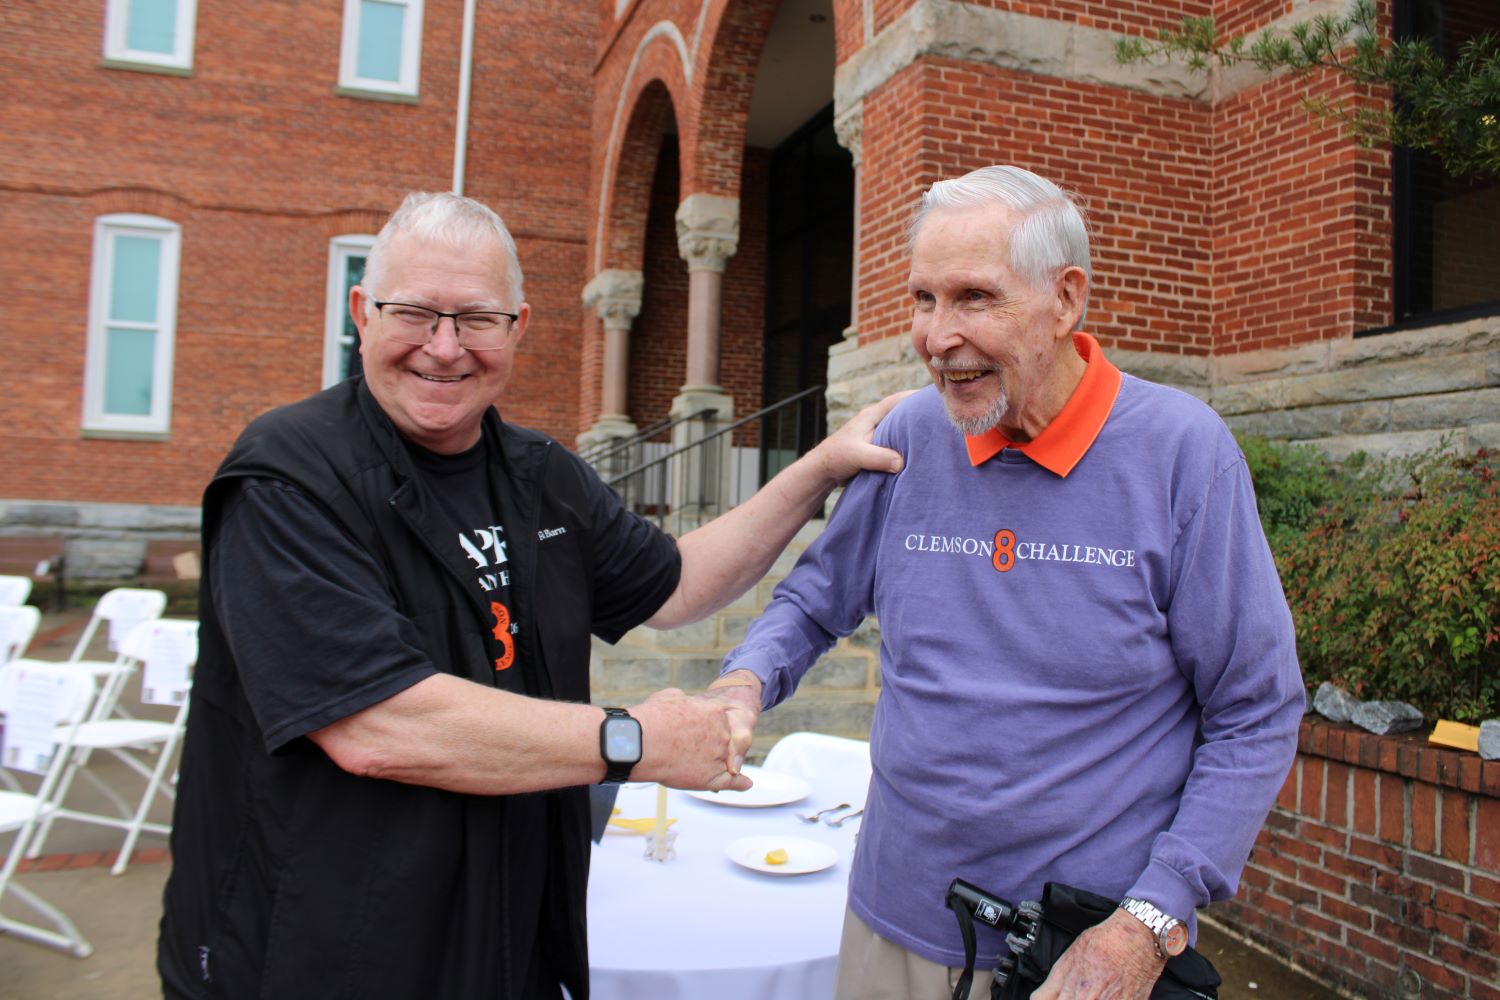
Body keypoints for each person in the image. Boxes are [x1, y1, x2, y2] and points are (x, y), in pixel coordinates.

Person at [157, 191, 905, 1000]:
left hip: (504, 933)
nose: (444, 349)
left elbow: (677, 583)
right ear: (361, 314)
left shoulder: (540, 476)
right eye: (415, 313)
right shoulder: (288, 478)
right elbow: (379, 726)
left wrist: (820, 468)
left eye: (476, 319)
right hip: (321, 950)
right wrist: (633, 741)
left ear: (517, 326)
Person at [709, 166, 1304, 1000]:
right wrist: (744, 681)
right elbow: (813, 600)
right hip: (891, 922)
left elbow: (1257, 709)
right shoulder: (911, 435)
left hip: (1085, 951)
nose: (937, 336)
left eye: (975, 298)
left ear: (1065, 301)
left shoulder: (1182, 454)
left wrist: (1149, 922)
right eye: (924, 299)